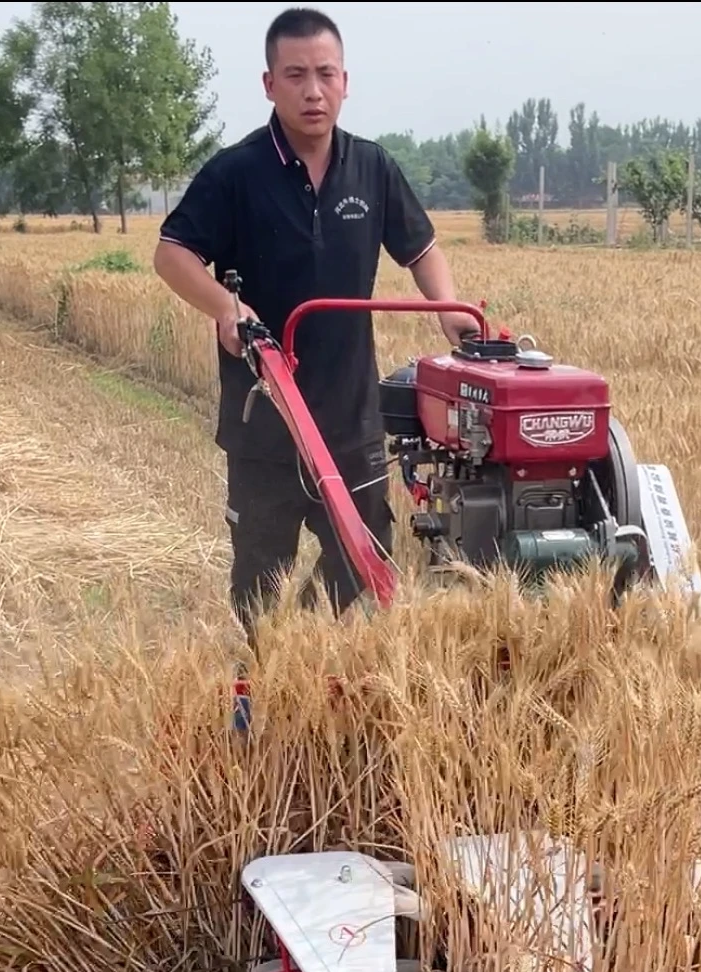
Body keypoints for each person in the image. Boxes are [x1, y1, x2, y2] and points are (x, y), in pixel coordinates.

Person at [153, 6, 479, 642]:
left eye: (325, 73)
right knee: (259, 584)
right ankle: (263, 674)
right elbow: (173, 254)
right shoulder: (235, 172)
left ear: (346, 81)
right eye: (296, 74)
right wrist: (228, 307)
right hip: (264, 420)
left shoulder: (372, 167)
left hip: (350, 416)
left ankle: (296, 645)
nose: (313, 90)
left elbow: (421, 249)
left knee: (364, 559)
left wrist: (450, 315)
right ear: (269, 83)